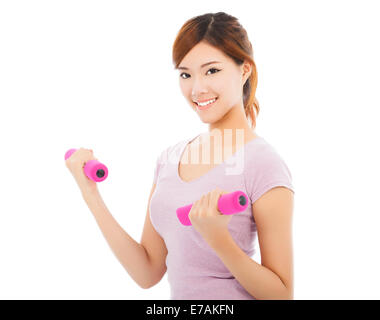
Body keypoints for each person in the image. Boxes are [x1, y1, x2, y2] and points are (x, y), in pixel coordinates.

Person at [65, 11, 295, 300]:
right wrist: (90, 193)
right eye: (186, 74)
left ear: (244, 69)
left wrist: (219, 240)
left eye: (212, 70)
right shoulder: (169, 159)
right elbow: (148, 272)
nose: (197, 88)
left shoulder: (264, 162)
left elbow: (282, 295)